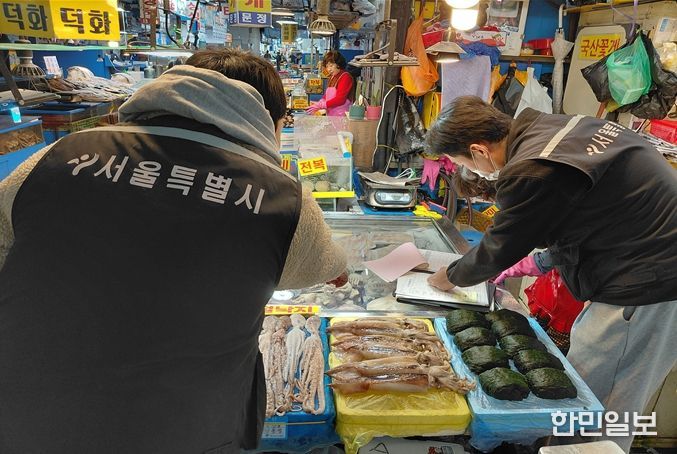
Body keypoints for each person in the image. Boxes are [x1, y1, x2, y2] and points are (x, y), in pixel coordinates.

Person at [0, 49, 346, 453]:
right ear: (268, 119)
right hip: (186, 428)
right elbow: (327, 267)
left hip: (26, 416)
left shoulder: (57, 156)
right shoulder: (282, 197)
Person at [425, 96, 677, 452]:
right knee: (591, 387)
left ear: (479, 150)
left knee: (601, 399)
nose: (472, 171)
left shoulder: (532, 166)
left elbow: (499, 247)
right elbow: (587, 215)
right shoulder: (558, 128)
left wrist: (447, 277)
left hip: (646, 284)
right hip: (646, 269)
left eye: (463, 162)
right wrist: (543, 261)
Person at [306, 50, 354, 117]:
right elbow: (327, 96)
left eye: (331, 66)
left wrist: (321, 105)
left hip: (342, 116)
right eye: (327, 66)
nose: (329, 69)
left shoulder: (345, 77)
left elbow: (340, 100)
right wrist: (320, 102)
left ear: (338, 64)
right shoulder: (332, 77)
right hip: (332, 115)